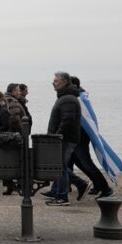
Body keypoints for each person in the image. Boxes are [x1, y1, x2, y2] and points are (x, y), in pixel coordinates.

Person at [43, 71, 83, 206]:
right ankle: (58, 192)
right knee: (60, 166)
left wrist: (57, 135)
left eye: (56, 80)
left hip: (64, 139)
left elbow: (67, 120)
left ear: (65, 82)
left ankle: (62, 196)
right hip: (63, 138)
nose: (53, 82)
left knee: (60, 167)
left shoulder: (68, 99)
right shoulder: (65, 97)